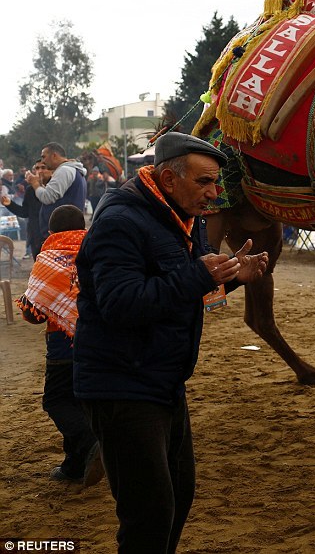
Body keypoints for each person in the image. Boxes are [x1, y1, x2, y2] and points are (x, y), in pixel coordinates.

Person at [72, 132, 270, 553]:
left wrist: (231, 278)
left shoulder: (183, 218)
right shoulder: (120, 223)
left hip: (163, 381)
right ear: (167, 179)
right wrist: (200, 274)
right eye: (204, 182)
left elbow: (183, 289)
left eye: (216, 183)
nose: (214, 194)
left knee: (178, 495)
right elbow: (120, 304)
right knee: (149, 512)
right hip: (121, 385)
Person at [17, 204, 104, 486]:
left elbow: (33, 314)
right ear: (84, 228)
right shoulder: (99, 250)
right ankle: (74, 466)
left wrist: (33, 301)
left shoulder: (47, 258)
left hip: (63, 347)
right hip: (101, 343)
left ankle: (91, 442)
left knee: (56, 401)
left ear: (51, 231)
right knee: (81, 402)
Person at [26, 143, 87, 245]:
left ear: (54, 155)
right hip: (65, 232)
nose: (43, 161)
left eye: (44, 156)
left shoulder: (64, 170)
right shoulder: (71, 170)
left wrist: (35, 184)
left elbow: (47, 197)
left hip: (62, 234)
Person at [2, 162, 48, 260]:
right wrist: (10, 204)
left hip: (51, 235)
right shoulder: (30, 190)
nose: (40, 171)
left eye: (43, 167)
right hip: (35, 236)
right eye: (37, 168)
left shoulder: (54, 188)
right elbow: (24, 212)